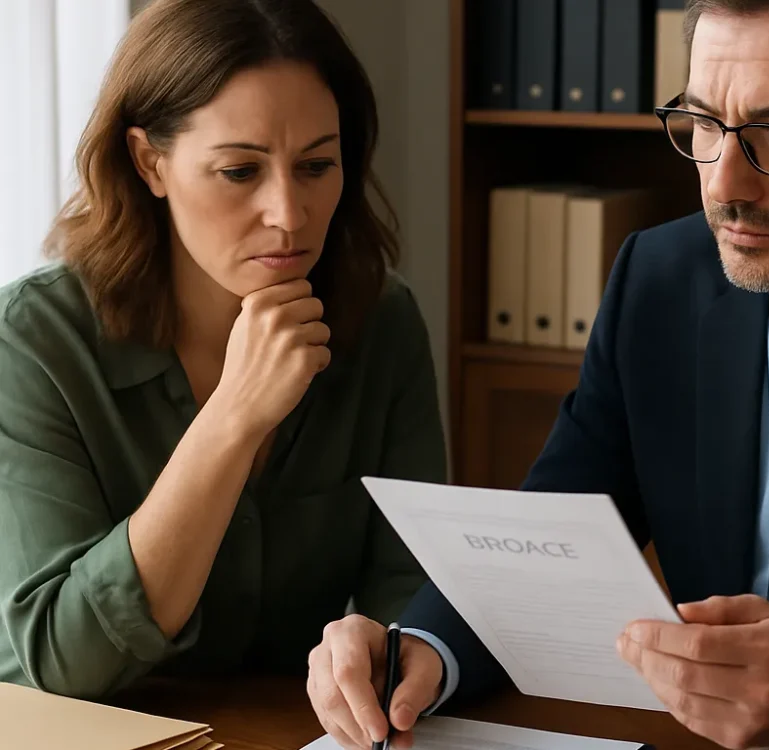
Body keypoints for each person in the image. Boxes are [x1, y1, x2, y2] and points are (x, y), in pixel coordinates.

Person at [307, 0, 769, 748]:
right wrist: (422, 651)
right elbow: (550, 538)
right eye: (703, 123)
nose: (724, 185)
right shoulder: (660, 283)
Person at [0, 0, 446, 703]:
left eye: (317, 165)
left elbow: (414, 585)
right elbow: (63, 662)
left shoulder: (382, 322)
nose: (289, 215)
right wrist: (232, 419)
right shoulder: (34, 341)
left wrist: (393, 647)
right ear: (149, 162)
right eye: (240, 171)